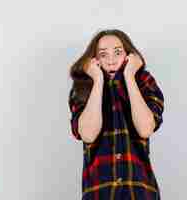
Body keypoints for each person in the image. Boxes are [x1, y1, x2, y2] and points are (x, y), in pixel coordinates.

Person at [68, 29, 164, 200]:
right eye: (103, 55)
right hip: (99, 193)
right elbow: (88, 134)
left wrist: (129, 76)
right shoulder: (82, 89)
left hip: (140, 192)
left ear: (128, 56)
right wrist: (98, 81)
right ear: (94, 60)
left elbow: (145, 128)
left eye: (118, 52)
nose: (111, 61)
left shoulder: (144, 82)